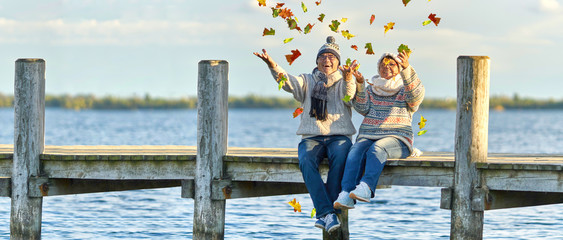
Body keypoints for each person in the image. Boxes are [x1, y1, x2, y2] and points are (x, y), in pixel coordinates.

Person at [254, 36, 357, 233]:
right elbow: (287, 82)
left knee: (342, 158)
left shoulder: (345, 81)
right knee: (306, 160)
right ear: (317, 61)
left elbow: (349, 96)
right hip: (312, 137)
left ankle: (324, 213)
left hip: (339, 136)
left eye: (331, 57)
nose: (327, 60)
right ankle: (328, 213)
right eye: (323, 57)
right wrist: (272, 65)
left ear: (338, 62)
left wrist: (350, 78)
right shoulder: (307, 81)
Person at [333, 50, 425, 209]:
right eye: (383, 64)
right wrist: (360, 84)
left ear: (399, 67)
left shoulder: (405, 89)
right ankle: (346, 194)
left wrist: (407, 68)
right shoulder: (372, 88)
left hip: (398, 138)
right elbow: (362, 108)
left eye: (391, 64)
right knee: (355, 151)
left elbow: (415, 98)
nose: (386, 67)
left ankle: (367, 188)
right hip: (369, 134)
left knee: (378, 148)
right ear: (378, 69)